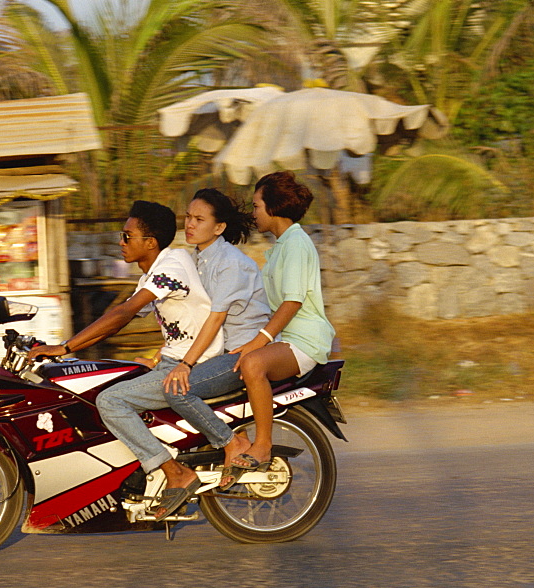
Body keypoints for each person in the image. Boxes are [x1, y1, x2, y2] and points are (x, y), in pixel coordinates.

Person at [27, 200, 222, 520]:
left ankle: (176, 474)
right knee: (116, 378)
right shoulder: (158, 270)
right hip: (173, 360)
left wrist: (64, 347)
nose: (120, 241)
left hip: (192, 365)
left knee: (111, 401)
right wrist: (67, 348)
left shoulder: (170, 268)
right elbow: (118, 320)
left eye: (126, 235)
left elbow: (123, 313)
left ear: (150, 242)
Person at [218, 171, 336, 488]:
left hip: (305, 342)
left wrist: (260, 341)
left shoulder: (296, 244)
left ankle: (263, 446)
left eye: (257, 206)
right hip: (288, 339)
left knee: (253, 362)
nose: (254, 213)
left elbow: (292, 302)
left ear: (274, 207)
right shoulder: (283, 245)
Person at [159, 189, 270, 485]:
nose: (190, 224)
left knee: (175, 389)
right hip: (218, 351)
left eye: (199, 219)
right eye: (188, 217)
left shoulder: (230, 262)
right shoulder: (197, 259)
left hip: (239, 353)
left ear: (218, 228)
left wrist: (185, 363)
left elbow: (215, 318)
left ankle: (232, 443)